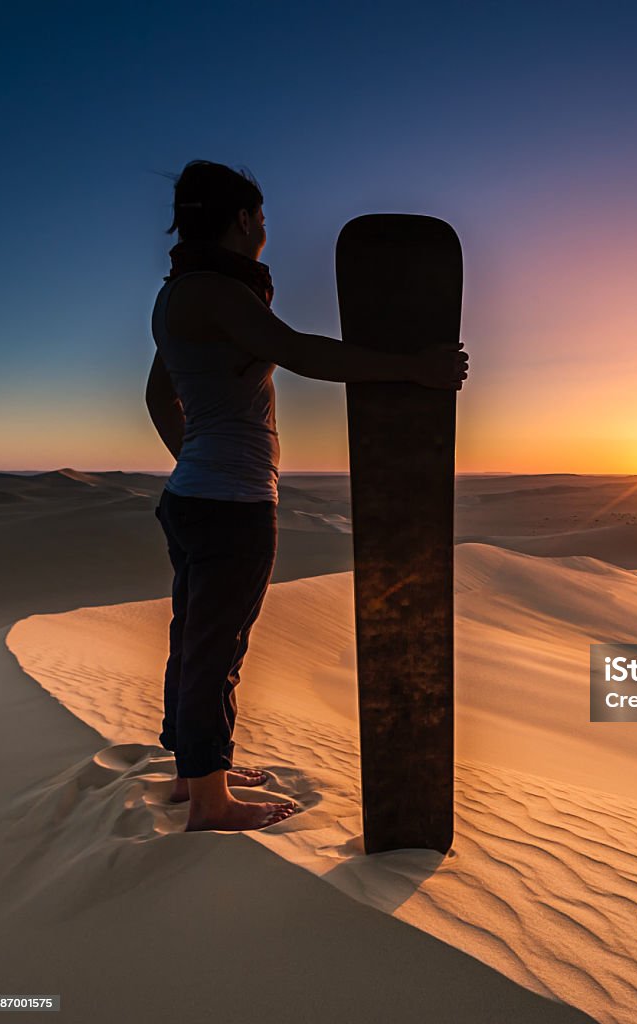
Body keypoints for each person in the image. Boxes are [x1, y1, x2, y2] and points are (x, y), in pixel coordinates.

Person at [145, 160, 468, 833]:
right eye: (261, 219)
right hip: (228, 505)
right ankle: (210, 803)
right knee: (216, 647)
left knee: (196, 639)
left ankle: (194, 772)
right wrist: (412, 369)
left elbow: (158, 395)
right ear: (243, 220)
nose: (264, 231)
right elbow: (296, 351)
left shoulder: (179, 294)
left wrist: (197, 461)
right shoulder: (217, 292)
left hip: (200, 494)